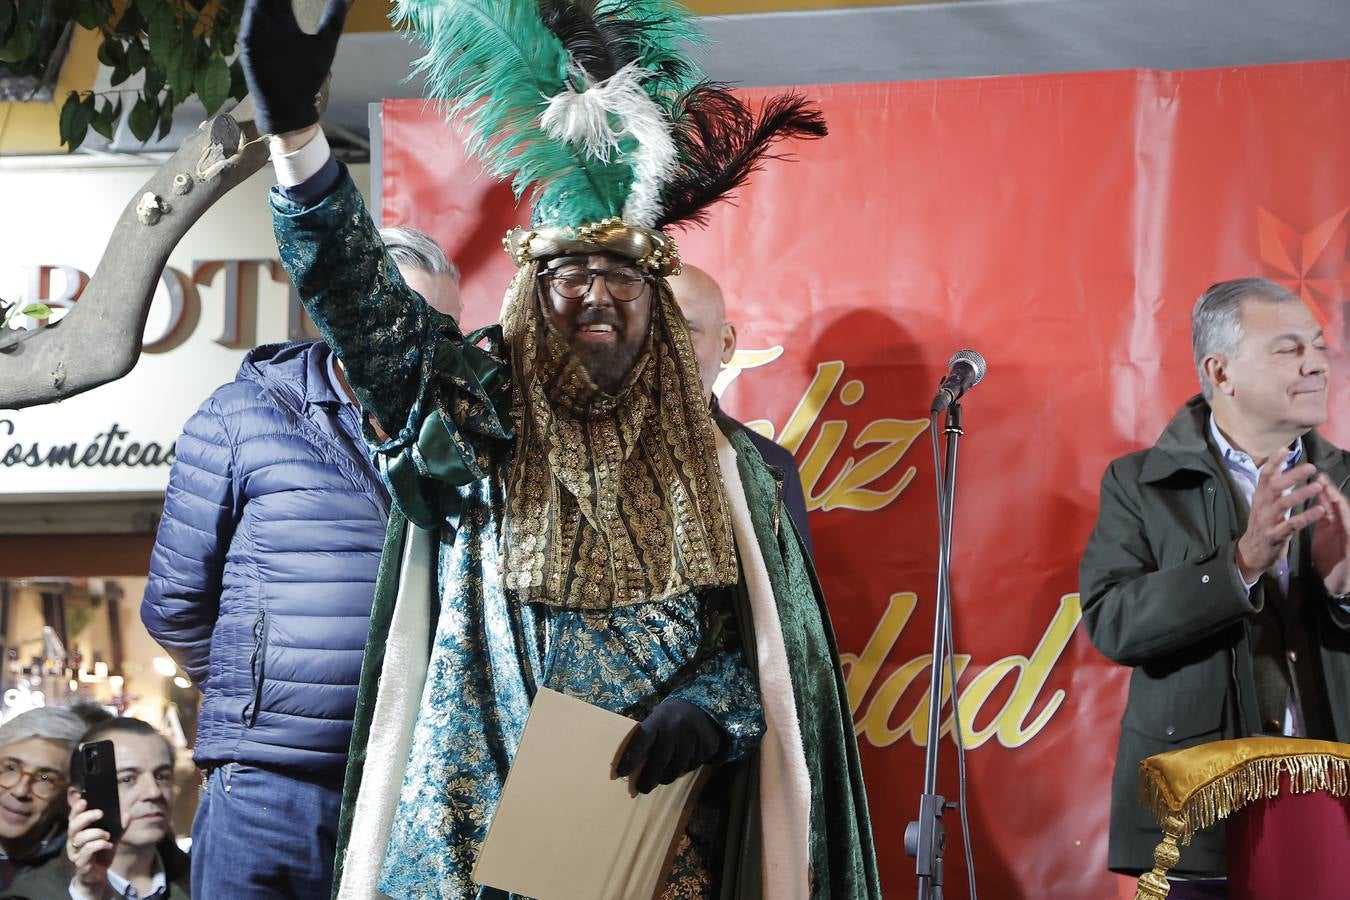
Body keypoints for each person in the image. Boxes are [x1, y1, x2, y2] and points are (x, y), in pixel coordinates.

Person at [237, 0, 879, 897]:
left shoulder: (733, 470)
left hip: (649, 844)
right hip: (471, 828)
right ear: (531, 297)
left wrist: (712, 708)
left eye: (620, 275)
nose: (595, 294)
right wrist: (297, 139)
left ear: (658, 307)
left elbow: (772, 654)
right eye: (569, 275)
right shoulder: (466, 419)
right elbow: (361, 303)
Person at [140, 224, 460, 897]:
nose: (416, 342)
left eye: (437, 325)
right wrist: (256, 694)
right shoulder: (240, 415)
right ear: (341, 313)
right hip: (265, 782)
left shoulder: (461, 433)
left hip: (408, 779)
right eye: (396, 316)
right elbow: (173, 603)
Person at [1080, 277, 1350, 894]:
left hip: (1333, 808)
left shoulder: (1348, 482)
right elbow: (1113, 622)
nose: (1316, 364)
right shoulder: (1139, 485)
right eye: (1288, 350)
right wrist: (1241, 564)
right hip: (1197, 814)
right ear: (1220, 372)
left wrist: (1345, 588)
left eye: (1318, 346)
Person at [671, 264, 814, 559]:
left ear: (726, 343)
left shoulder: (770, 466)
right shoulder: (592, 458)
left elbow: (792, 600)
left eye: (687, 328)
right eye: (652, 328)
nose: (668, 344)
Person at [4, 717, 189, 900]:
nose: (153, 792)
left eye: (162, 776)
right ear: (78, 800)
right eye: (127, 779)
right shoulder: (32, 893)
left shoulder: (204, 876)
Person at [0, 708, 87, 890]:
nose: (20, 790)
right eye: (10, 768)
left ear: (68, 796)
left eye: (45, 778)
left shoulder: (81, 873)